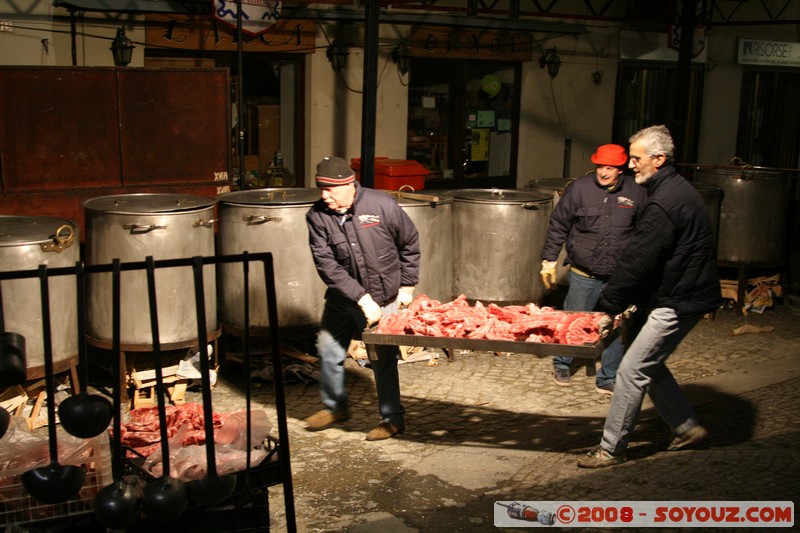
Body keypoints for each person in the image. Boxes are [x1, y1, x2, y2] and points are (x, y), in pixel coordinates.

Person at [577, 125, 721, 468]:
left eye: (637, 158)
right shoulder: (669, 190)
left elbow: (639, 259)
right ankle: (686, 427)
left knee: (631, 370)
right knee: (648, 362)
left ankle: (612, 449)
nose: (631, 165)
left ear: (658, 159)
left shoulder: (666, 201)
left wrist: (610, 306)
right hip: (678, 292)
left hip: (679, 298)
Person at [305, 156, 420, 441]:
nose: (324, 196)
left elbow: (409, 242)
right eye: (321, 189)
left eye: (329, 190)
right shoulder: (317, 216)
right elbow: (327, 264)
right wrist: (360, 297)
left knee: (382, 360)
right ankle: (335, 407)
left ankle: (393, 419)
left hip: (384, 298)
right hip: (343, 298)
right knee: (329, 351)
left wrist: (407, 286)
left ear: (348, 185)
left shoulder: (381, 205)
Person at [540, 144, 647, 395]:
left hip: (619, 275)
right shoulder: (580, 189)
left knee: (616, 324)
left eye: (609, 168)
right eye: (600, 166)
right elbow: (558, 224)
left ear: (621, 170)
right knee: (573, 320)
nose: (603, 172)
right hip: (583, 272)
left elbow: (645, 232)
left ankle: (607, 375)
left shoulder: (637, 192)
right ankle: (562, 363)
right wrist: (549, 260)